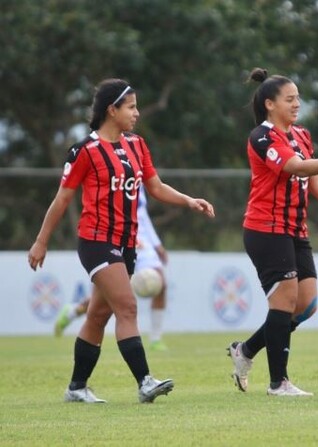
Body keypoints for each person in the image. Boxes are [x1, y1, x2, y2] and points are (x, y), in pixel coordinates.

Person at [28, 78, 215, 404]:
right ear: (111, 110)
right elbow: (62, 200)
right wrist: (40, 241)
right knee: (127, 307)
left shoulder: (137, 145)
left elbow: (155, 187)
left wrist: (188, 200)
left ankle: (76, 388)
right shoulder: (85, 150)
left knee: (98, 317)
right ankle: (144, 382)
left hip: (127, 244)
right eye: (131, 107)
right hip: (97, 241)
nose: (137, 113)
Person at [227, 68, 318, 397]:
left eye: (298, 98)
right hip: (266, 228)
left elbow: (313, 179)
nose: (297, 104)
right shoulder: (262, 137)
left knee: (306, 305)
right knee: (285, 300)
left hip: (295, 230)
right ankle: (278, 383)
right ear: (270, 104)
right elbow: (295, 167)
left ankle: (246, 351)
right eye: (290, 99)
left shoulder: (301, 135)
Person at [54, 186, 171, 352]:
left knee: (161, 284)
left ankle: (156, 339)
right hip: (117, 237)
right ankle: (73, 311)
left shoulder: (139, 174)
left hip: (141, 239)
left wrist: (157, 244)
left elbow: (142, 214)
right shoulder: (111, 171)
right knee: (107, 298)